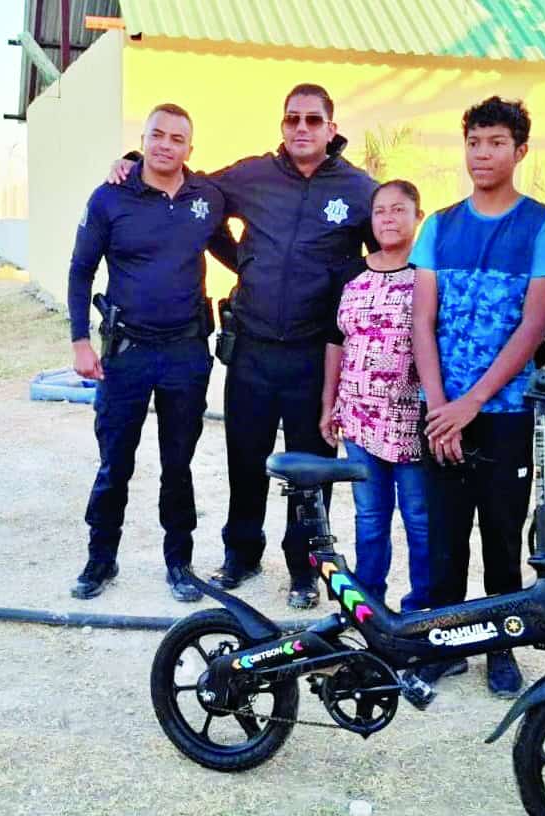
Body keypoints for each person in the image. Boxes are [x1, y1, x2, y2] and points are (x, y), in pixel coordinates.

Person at [109, 83, 377, 609]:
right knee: (245, 456)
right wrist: (137, 162)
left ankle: (306, 567)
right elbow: (194, 191)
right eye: (292, 118)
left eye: (313, 120)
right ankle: (242, 554)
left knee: (311, 465)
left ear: (331, 128)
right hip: (252, 346)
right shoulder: (254, 175)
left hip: (314, 353)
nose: (301, 128)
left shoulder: (358, 189)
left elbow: (384, 252)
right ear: (282, 125)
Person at [410, 97, 545, 698]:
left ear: (520, 151)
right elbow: (423, 321)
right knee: (444, 536)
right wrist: (439, 407)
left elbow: (532, 326)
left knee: (501, 536)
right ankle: (445, 647)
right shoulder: (439, 225)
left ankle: (501, 647)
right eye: (474, 141)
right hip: (440, 413)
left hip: (503, 414)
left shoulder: (541, 225)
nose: (482, 153)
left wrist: (471, 403)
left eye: (496, 142)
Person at [68, 103, 228, 603]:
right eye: (157, 135)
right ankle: (100, 558)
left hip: (185, 353)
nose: (166, 145)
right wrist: (79, 341)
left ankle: (179, 563)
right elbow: (80, 269)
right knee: (115, 463)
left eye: (177, 139)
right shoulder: (109, 197)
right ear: (142, 141)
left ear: (190, 148)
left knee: (178, 465)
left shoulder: (206, 198)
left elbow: (238, 253)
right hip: (127, 353)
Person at [319, 180, 431, 611]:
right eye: (380, 210)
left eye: (399, 209)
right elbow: (335, 341)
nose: (388, 218)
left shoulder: (429, 274)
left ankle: (422, 609)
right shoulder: (348, 273)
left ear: (418, 217)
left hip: (412, 419)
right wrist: (329, 404)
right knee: (369, 517)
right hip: (359, 416)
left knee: (419, 518)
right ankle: (369, 608)